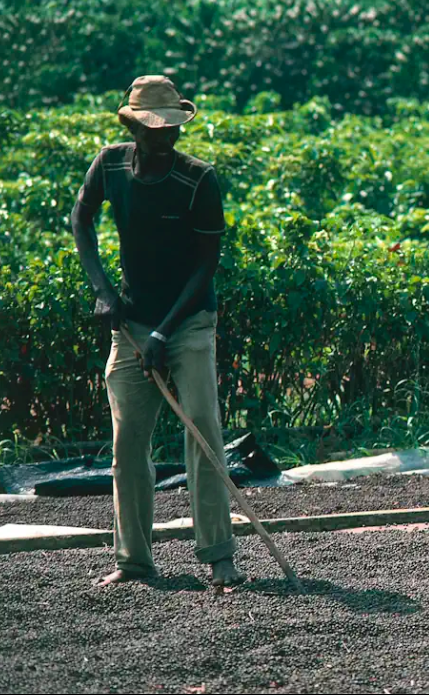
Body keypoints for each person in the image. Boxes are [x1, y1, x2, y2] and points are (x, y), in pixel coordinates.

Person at [70, 75, 244, 588]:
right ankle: (134, 561)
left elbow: (205, 266)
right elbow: (82, 221)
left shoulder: (198, 179)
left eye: (171, 127)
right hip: (132, 321)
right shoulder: (111, 165)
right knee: (128, 441)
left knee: (203, 430)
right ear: (133, 128)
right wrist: (104, 292)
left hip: (187, 321)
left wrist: (165, 334)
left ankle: (219, 557)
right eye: (153, 128)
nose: (164, 136)